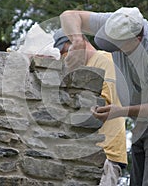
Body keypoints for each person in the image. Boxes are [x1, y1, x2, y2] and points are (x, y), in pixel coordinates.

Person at [59, 7, 148, 186]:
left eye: (119, 45)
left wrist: (121, 111)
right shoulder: (115, 23)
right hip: (144, 116)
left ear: (137, 40)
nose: (114, 49)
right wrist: (77, 40)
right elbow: (69, 15)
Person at [53, 29, 128, 186]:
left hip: (106, 156)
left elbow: (103, 106)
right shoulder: (87, 68)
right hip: (94, 155)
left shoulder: (104, 60)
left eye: (64, 53)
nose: (64, 59)